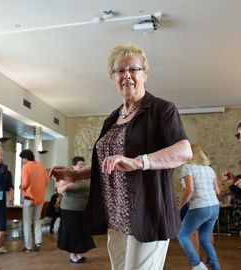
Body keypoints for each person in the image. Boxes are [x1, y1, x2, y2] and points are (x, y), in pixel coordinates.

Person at [50, 43, 192, 270]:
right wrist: (74, 175)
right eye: (119, 71)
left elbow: (184, 151)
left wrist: (138, 162)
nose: (127, 75)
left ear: (144, 74)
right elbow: (107, 165)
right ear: (113, 77)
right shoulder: (112, 118)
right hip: (115, 217)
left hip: (147, 214)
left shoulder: (161, 109)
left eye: (133, 69)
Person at [177, 144, 221, 270]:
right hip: (214, 206)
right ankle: (216, 267)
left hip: (200, 207)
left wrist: (179, 207)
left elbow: (189, 190)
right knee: (205, 238)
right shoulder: (209, 169)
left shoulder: (187, 167)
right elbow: (218, 191)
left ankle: (197, 265)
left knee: (182, 235)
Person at [57, 156, 95, 264]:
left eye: (83, 163)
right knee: (72, 232)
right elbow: (59, 190)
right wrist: (67, 187)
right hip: (70, 209)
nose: (82, 165)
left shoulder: (87, 176)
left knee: (81, 232)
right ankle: (72, 255)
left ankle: (78, 253)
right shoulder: (68, 176)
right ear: (73, 166)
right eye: (79, 164)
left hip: (84, 209)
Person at [19, 149, 49, 252]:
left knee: (27, 222)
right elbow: (47, 181)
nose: (22, 161)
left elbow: (25, 183)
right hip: (40, 198)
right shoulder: (41, 166)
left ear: (25, 158)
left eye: (22, 159)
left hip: (29, 198)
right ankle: (38, 242)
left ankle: (28, 246)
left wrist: (20, 186)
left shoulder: (26, 166)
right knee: (37, 220)